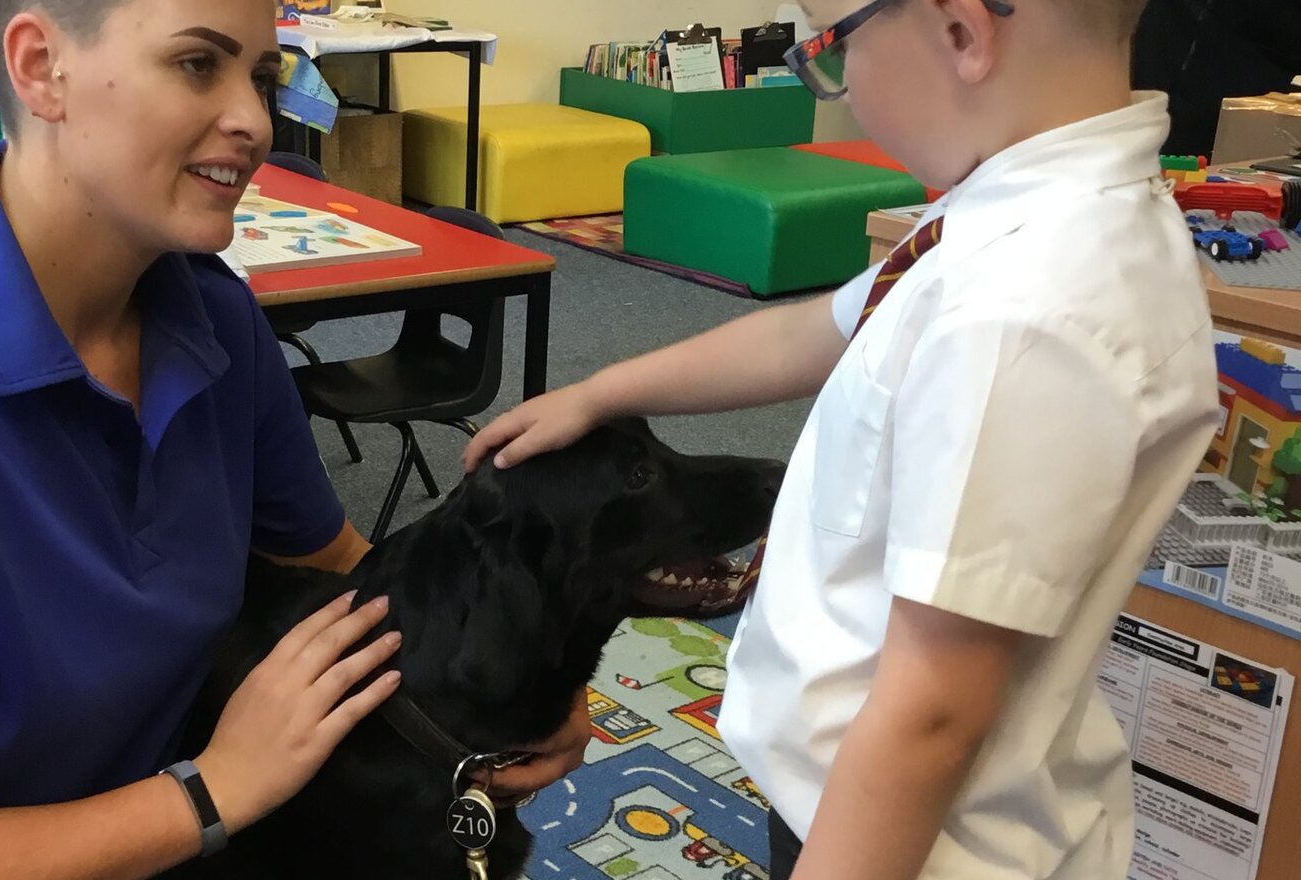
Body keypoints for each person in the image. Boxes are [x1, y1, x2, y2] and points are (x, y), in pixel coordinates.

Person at [464, 1, 1218, 878]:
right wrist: (599, 394)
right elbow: (817, 331)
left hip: (902, 832)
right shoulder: (1019, 218)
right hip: (872, 794)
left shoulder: (1020, 314)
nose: (841, 87)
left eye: (831, 47)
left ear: (963, 33)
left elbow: (930, 713)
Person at [0, 1, 585, 876]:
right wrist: (212, 791)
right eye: (199, 65)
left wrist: (520, 686)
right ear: (40, 68)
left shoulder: (212, 312)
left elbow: (341, 571)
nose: (254, 119)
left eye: (263, 77)